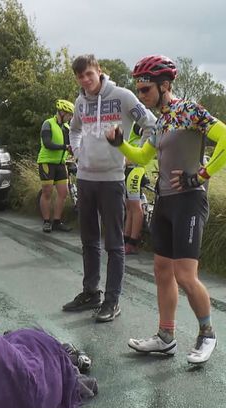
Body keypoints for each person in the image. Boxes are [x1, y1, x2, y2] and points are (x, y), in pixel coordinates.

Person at [106, 55, 226, 364]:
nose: (141, 96)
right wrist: (119, 144)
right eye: (138, 90)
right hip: (164, 201)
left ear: (165, 85)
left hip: (189, 201)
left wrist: (201, 176)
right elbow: (141, 157)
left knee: (184, 274)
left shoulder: (189, 111)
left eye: (145, 90)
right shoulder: (161, 120)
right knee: (162, 270)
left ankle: (207, 333)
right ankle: (166, 337)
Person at [61, 55, 157, 322]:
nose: (85, 80)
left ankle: (112, 301)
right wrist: (79, 152)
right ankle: (91, 292)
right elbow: (74, 130)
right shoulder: (80, 102)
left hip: (112, 180)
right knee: (88, 241)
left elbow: (152, 125)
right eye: (80, 77)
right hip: (86, 178)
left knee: (114, 244)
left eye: (89, 74)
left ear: (99, 71)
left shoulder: (123, 96)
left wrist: (133, 154)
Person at [38, 99, 75, 233]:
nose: (70, 117)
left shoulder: (67, 128)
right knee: (47, 192)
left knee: (63, 193)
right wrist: (65, 147)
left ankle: (57, 221)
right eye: (69, 114)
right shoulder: (48, 124)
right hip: (47, 162)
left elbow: (72, 144)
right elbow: (47, 143)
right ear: (62, 112)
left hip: (61, 163)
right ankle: (47, 221)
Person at [123, 123, 148, 255]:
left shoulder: (137, 123)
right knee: (131, 208)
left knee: (134, 208)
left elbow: (147, 131)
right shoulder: (135, 123)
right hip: (131, 169)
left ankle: (130, 241)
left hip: (135, 170)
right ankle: (128, 241)